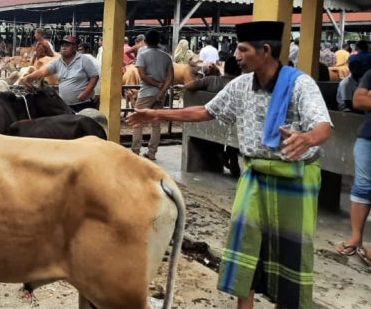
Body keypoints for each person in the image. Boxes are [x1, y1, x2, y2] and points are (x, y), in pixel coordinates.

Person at [128, 21, 332, 309]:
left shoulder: (300, 84)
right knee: (244, 247)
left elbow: (324, 125)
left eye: (242, 49)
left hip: (295, 179)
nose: (235, 56)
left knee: (291, 252)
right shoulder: (240, 85)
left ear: (264, 51)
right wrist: (156, 113)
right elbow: (205, 111)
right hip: (255, 175)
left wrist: (308, 138)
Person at [336, 63, 371, 266]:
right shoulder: (370, 73)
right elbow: (359, 100)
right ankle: (355, 237)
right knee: (362, 187)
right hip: (367, 137)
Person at [22, 35, 98, 112]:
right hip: (66, 105)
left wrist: (86, 93)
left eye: (67, 45)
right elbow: (42, 72)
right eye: (62, 45)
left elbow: (94, 76)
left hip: (84, 104)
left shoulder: (83, 60)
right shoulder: (57, 62)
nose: (63, 48)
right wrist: (28, 78)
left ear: (75, 47)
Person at [130, 29, 173, 159]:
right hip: (160, 95)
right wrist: (162, 90)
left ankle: (135, 152)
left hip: (145, 94)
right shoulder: (166, 57)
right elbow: (170, 77)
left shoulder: (142, 55)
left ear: (146, 41)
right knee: (156, 124)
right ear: (159, 41)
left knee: (137, 123)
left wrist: (157, 85)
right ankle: (152, 153)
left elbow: (142, 76)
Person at [78, 41, 101, 107]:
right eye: (78, 50)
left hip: (88, 92)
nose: (79, 52)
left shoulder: (83, 59)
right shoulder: (95, 60)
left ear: (87, 50)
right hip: (98, 90)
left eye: (81, 49)